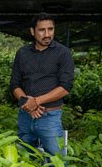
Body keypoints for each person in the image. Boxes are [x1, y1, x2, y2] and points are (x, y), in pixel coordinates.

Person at [9, 12, 74, 157]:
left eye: (50, 29)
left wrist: (36, 102)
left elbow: (65, 87)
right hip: (25, 115)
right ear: (32, 31)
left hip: (50, 117)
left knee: (57, 161)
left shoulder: (63, 53)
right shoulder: (22, 53)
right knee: (24, 159)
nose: (47, 34)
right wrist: (28, 105)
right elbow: (14, 84)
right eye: (42, 30)